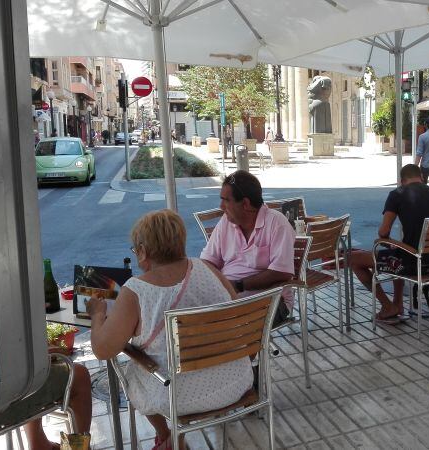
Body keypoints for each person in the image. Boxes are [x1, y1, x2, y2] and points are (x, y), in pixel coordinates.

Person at [87, 210, 253, 450]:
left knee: (134, 369)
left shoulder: (136, 290)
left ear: (143, 251)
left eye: (135, 251)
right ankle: (171, 439)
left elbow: (103, 350)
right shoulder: (209, 269)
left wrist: (97, 315)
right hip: (236, 381)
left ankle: (167, 436)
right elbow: (234, 311)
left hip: (181, 399)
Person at [348, 164, 429, 321]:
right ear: (422, 178)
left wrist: (389, 240)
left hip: (413, 264)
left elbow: (383, 232)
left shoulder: (397, 194)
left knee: (353, 259)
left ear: (402, 181)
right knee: (396, 251)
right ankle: (398, 304)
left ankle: (388, 306)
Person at [200, 170, 296, 327]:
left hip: (271, 301)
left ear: (245, 204)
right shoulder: (226, 222)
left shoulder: (276, 223)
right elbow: (208, 261)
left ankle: (247, 351)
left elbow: (282, 272)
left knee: (224, 328)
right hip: (230, 299)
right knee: (191, 321)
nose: (221, 206)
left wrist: (238, 286)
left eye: (226, 200)